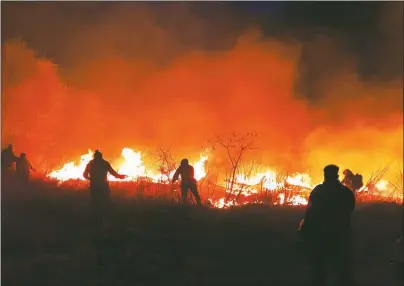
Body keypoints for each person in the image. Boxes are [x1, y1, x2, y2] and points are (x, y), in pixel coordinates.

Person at [299, 164, 355, 286]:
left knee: (319, 271)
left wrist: (304, 228)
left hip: (321, 236)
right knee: (342, 271)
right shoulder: (345, 192)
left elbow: (310, 212)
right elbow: (350, 209)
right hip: (340, 235)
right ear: (337, 175)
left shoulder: (318, 191)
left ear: (325, 175)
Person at [83, 150, 127, 221]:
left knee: (95, 201)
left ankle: (94, 218)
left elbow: (84, 175)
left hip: (94, 185)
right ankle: (105, 217)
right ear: (101, 156)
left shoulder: (90, 163)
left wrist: (90, 179)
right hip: (103, 185)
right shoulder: (104, 163)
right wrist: (120, 176)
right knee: (105, 200)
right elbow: (112, 172)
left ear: (94, 156)